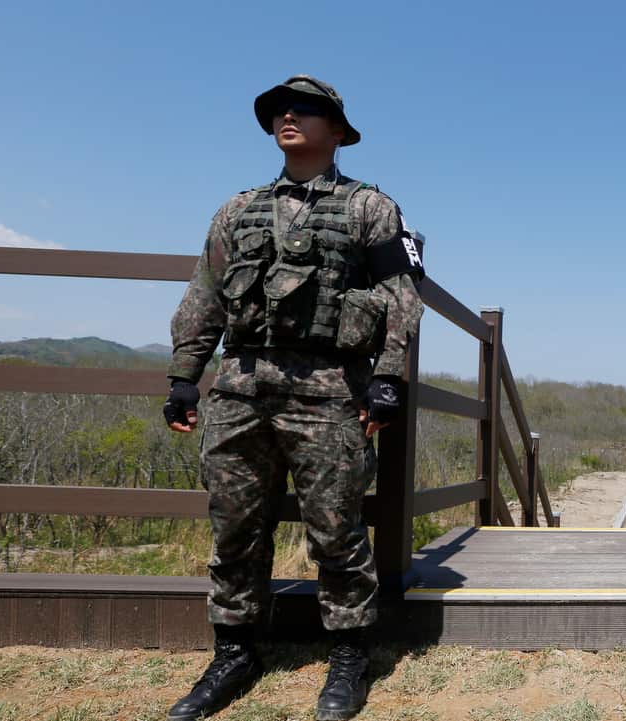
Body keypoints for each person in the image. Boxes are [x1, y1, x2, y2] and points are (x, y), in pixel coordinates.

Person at [162, 75, 425, 721]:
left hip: (330, 389)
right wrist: (184, 374)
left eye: (308, 110)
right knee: (234, 528)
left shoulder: (370, 208)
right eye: (281, 109)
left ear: (337, 131)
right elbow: (205, 294)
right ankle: (235, 651)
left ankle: (348, 655)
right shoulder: (237, 208)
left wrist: (389, 375)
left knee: (335, 529)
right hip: (241, 386)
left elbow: (400, 297)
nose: (289, 116)